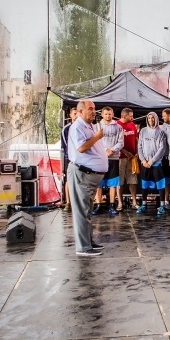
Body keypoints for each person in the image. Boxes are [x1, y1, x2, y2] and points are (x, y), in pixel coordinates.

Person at [67, 100, 109, 257]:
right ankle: (83, 247)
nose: (94, 111)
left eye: (94, 109)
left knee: (87, 211)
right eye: (90, 109)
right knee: (81, 212)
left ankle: (88, 242)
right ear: (80, 112)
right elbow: (82, 148)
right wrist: (97, 137)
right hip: (82, 174)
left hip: (90, 176)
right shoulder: (77, 126)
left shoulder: (89, 126)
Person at [92, 106, 124, 216]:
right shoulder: (96, 127)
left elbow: (121, 142)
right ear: (102, 114)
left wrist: (112, 150)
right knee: (99, 184)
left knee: (113, 183)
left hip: (113, 158)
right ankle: (98, 205)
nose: (108, 116)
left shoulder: (118, 127)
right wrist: (104, 150)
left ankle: (111, 205)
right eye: (105, 114)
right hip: (100, 158)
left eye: (109, 114)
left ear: (112, 114)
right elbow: (94, 141)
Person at [136, 112, 167, 215]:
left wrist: (152, 161)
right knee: (144, 184)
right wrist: (143, 160)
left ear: (156, 119)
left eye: (153, 118)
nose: (151, 120)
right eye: (149, 118)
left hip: (156, 163)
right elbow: (139, 146)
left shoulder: (161, 132)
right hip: (145, 163)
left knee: (160, 184)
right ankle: (143, 205)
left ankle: (162, 205)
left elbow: (162, 149)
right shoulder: (143, 131)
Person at [117, 108, 138, 209]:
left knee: (132, 180)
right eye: (130, 116)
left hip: (132, 158)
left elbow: (136, 138)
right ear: (124, 116)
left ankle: (134, 202)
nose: (132, 117)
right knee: (119, 181)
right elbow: (115, 142)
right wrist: (125, 152)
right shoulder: (116, 125)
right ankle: (120, 203)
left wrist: (137, 152)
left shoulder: (132, 125)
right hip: (120, 157)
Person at [60, 107, 78, 211]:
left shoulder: (83, 127)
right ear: (70, 115)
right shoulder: (66, 129)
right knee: (68, 179)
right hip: (70, 158)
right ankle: (68, 202)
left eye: (77, 114)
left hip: (82, 158)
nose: (76, 116)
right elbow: (65, 145)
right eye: (74, 114)